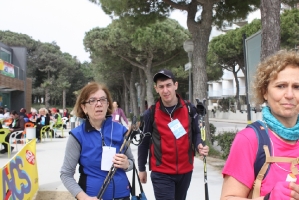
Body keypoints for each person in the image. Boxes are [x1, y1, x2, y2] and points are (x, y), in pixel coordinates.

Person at [220, 50, 299, 200]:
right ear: (264, 92)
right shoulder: (250, 139)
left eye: (297, 87)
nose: (289, 95)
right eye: (281, 86)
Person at [138, 69, 209, 200]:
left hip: (185, 171)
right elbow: (144, 142)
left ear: (175, 85)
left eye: (168, 85)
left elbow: (196, 133)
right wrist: (141, 168)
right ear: (156, 89)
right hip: (161, 173)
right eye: (161, 86)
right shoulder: (151, 113)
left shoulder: (189, 109)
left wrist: (199, 145)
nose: (165, 90)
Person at [60, 82, 134, 200]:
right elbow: (66, 174)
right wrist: (83, 197)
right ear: (84, 107)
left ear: (108, 105)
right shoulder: (77, 136)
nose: (98, 104)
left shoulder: (121, 131)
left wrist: (127, 165)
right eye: (92, 100)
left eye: (102, 100)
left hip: (123, 196)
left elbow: (131, 162)